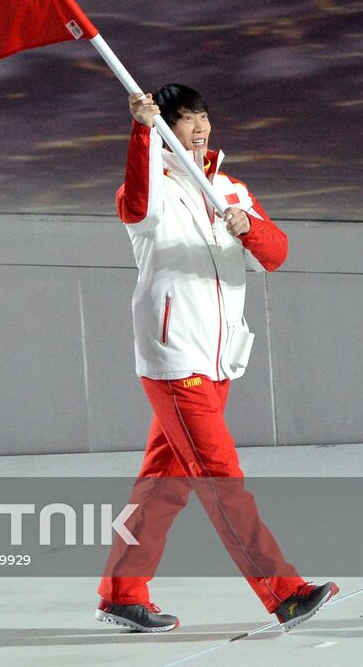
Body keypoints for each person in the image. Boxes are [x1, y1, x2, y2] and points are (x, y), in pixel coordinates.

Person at [94, 84, 338, 633]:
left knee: (164, 484)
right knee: (222, 478)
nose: (199, 126)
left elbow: (277, 255)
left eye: (203, 115)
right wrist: (139, 130)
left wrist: (249, 228)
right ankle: (284, 592)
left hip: (222, 357)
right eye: (183, 119)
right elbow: (135, 204)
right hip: (177, 359)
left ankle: (121, 593)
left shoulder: (229, 187)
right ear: (164, 127)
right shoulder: (151, 188)